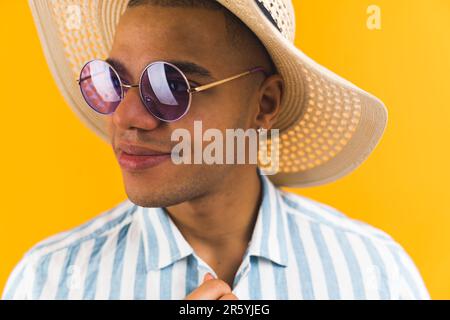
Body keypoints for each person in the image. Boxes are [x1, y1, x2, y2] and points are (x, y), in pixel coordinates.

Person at [3, 0, 429, 300]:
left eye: (172, 86)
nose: (127, 117)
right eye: (112, 80)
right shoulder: (49, 282)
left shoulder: (374, 275)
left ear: (265, 104)